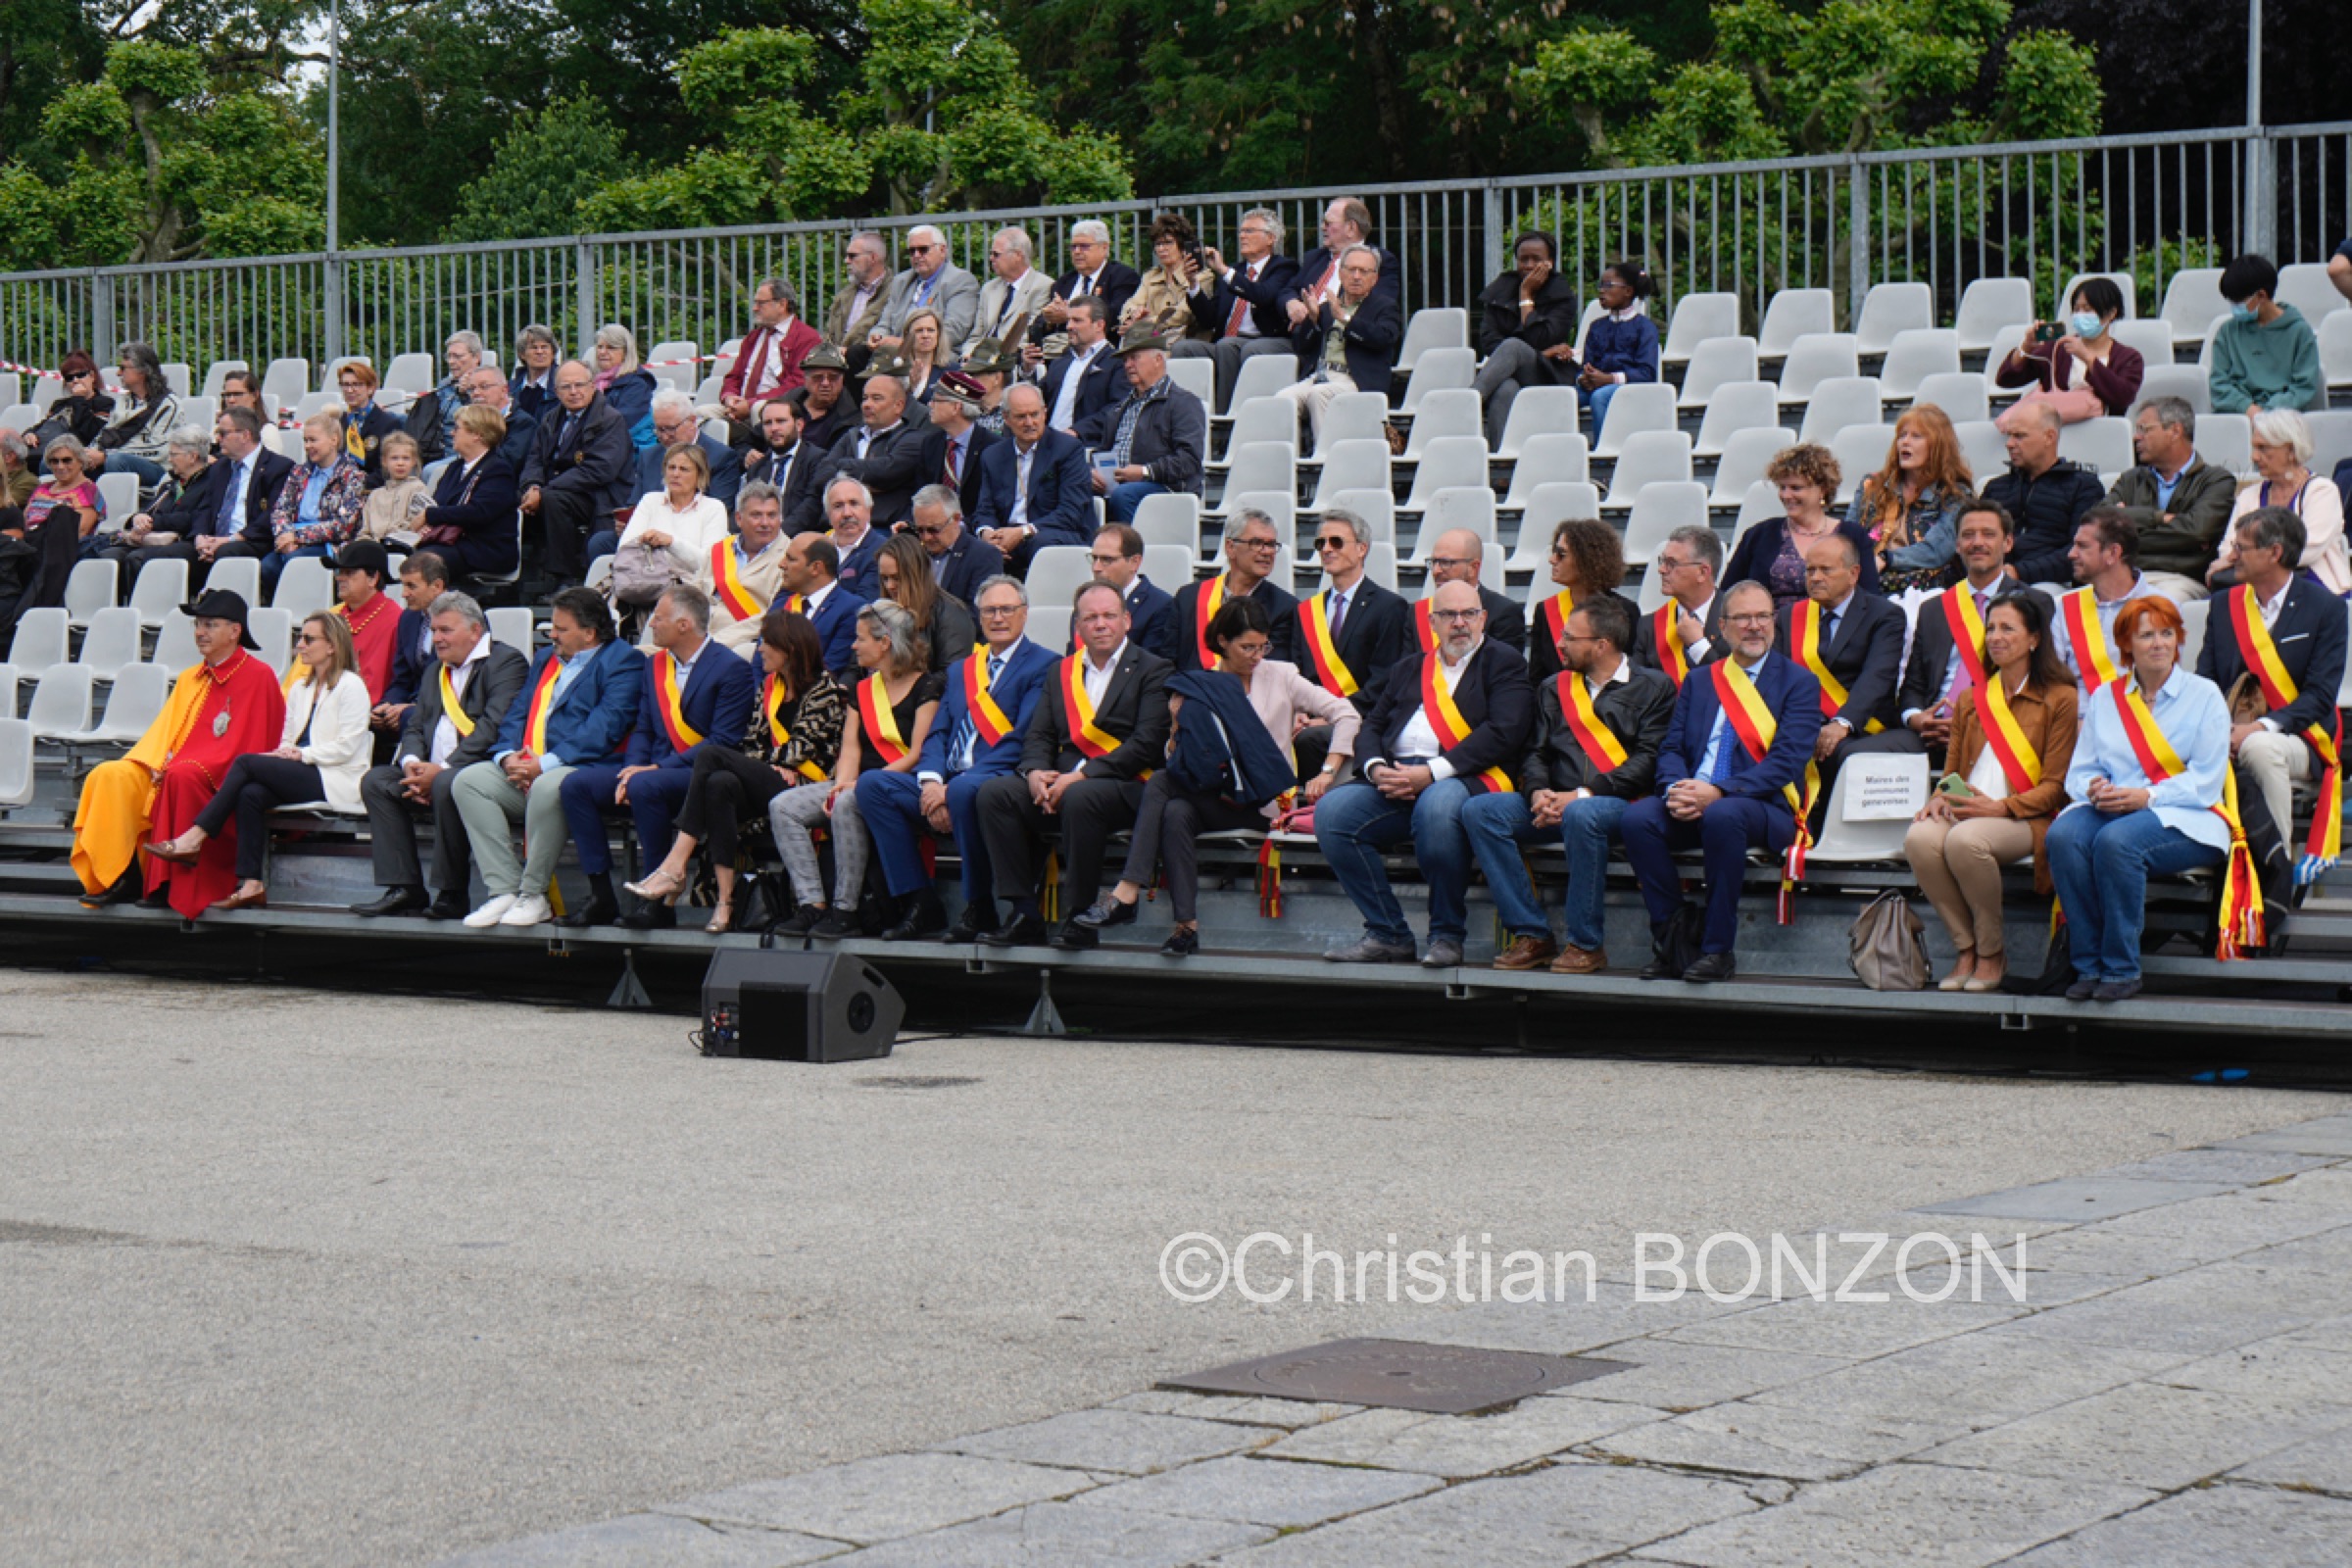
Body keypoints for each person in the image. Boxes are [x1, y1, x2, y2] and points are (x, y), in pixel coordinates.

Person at [1075, 596, 1358, 956]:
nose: (1257, 655)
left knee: (1163, 786)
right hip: (1213, 793)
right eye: (1247, 647)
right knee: (1175, 810)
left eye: (1263, 646)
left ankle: (1128, 891)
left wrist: (1328, 770)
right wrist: (1176, 728)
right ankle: (1185, 927)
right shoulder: (1200, 683)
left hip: (1263, 801)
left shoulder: (1282, 675)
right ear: (1223, 641)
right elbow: (1178, 759)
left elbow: (1346, 714)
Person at [1315, 578, 1533, 967]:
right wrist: (1376, 768)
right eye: (1449, 615)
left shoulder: (1504, 661)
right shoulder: (1410, 667)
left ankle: (1447, 935)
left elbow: (1504, 731)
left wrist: (1431, 774)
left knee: (1436, 806)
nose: (1459, 623)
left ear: (1483, 618)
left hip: (1469, 777)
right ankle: (1388, 934)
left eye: (1468, 614)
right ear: (1432, 622)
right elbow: (1373, 727)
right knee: (1333, 814)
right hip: (1397, 778)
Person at [1619, 580, 1824, 982]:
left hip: (1767, 808)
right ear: (1723, 627)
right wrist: (1676, 789)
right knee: (1637, 820)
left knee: (1723, 815)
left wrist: (1717, 792)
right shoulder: (1700, 680)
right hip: (1701, 800)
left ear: (1774, 622)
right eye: (1743, 618)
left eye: (1762, 616)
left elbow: (1786, 763)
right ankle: (1673, 938)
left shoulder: (1798, 682)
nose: (1754, 626)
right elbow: (1673, 747)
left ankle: (1717, 948)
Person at [1463, 594, 1676, 973]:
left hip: (1618, 803)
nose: (1559, 644)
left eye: (1570, 638)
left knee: (1582, 814)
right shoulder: (1552, 687)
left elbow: (1649, 760)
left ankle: (1585, 943)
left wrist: (1581, 795)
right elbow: (1536, 752)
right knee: (1481, 811)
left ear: (1601, 645)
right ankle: (1532, 934)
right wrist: (1538, 792)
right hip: (1557, 801)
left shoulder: (1655, 687)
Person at [2048, 595, 2246, 1000]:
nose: (2158, 643)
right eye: (2147, 635)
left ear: (2179, 640)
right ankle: (2086, 965)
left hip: (2187, 815)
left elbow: (2207, 782)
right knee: (2062, 836)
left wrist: (2146, 796)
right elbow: (2081, 771)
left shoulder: (2205, 695)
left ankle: (2121, 969)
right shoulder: (2106, 698)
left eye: (2167, 633)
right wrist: (2094, 788)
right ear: (2127, 646)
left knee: (2117, 842)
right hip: (2115, 807)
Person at [621, 610, 848, 935]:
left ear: (790, 648)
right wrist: (770, 764)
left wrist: (774, 763)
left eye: (765, 643)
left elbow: (800, 749)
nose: (759, 650)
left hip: (805, 786)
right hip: (769, 780)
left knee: (713, 754)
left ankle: (675, 865)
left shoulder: (827, 690)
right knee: (719, 782)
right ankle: (725, 901)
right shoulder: (771, 687)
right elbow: (751, 744)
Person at [974, 581, 1173, 947]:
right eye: (1091, 617)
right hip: (1064, 784)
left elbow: (1145, 745)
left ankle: (1080, 918)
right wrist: (1035, 773)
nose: (1101, 624)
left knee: (1083, 797)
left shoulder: (1154, 669)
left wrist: (1078, 777)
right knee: (994, 794)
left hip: (1127, 786)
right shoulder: (1060, 671)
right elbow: (1039, 736)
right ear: (1077, 626)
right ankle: (1024, 913)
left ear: (1126, 620)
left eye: (1109, 616)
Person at [859, 574, 1057, 941]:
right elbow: (938, 734)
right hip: (950, 780)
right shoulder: (961, 669)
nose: (998, 618)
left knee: (967, 790)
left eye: (1006, 610)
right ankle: (920, 900)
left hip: (997, 779)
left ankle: (979, 906)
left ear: (1025, 614)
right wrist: (933, 781)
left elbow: (1023, 738)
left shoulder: (1046, 665)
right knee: (872, 785)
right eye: (989, 611)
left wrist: (953, 789)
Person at [1902, 591, 2079, 993]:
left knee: (1966, 841)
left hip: (2026, 817)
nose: (1996, 637)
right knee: (1919, 839)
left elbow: (2055, 788)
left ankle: (1991, 952)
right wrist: (1938, 799)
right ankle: (1966, 948)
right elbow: (1950, 773)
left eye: (2008, 628)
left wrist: (1999, 808)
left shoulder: (2061, 698)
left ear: (2034, 639)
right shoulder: (1971, 698)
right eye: (1992, 628)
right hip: (1971, 809)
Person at [72, 590, 287, 916]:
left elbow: (252, 746)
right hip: (175, 765)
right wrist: (156, 763)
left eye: (210, 624)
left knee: (182, 774)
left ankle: (167, 884)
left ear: (234, 630)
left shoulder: (259, 676)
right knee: (109, 774)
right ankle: (121, 875)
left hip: (218, 778)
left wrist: (178, 764)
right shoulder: (190, 677)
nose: (200, 632)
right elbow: (165, 733)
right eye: (198, 624)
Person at [557, 584, 758, 929]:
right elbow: (644, 729)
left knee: (646, 786)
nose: (650, 625)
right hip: (653, 769)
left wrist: (653, 769)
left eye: (658, 618)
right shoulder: (655, 666)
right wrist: (630, 768)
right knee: (576, 786)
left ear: (684, 625)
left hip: (699, 773)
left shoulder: (730, 668)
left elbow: (722, 741)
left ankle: (659, 901)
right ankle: (601, 895)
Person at [143, 610, 372, 912]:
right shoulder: (301, 689)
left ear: (331, 646)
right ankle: (251, 883)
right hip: (303, 768)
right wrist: (285, 754)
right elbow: (288, 739)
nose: (299, 646)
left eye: (308, 639)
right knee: (251, 794)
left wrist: (302, 754)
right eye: (299, 639)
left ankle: (193, 838)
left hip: (337, 776)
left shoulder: (351, 686)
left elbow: (348, 746)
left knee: (245, 763)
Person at [451, 588, 646, 929]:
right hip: (529, 766)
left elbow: (605, 727)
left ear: (589, 633)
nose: (551, 634)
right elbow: (517, 712)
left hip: (584, 768)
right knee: (469, 781)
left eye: (561, 628)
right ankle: (504, 892)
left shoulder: (623, 661)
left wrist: (544, 764)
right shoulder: (546, 659)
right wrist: (507, 756)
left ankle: (532, 894)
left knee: (547, 786)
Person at [755, 597, 942, 937]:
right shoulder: (861, 689)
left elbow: (917, 752)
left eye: (861, 638)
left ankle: (846, 909)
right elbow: (851, 747)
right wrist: (842, 781)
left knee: (846, 802)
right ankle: (812, 904)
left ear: (884, 643)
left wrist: (858, 786)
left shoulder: (928, 685)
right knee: (784, 807)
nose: (853, 645)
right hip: (856, 783)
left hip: (899, 784)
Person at [352, 590, 532, 918]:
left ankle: (452, 893)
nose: (436, 638)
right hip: (430, 772)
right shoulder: (436, 669)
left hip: (472, 773)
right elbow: (416, 726)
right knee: (377, 781)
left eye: (445, 630)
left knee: (450, 782)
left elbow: (492, 728)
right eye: (434, 631)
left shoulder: (506, 662)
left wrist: (442, 769)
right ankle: (405, 888)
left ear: (475, 630)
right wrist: (412, 765)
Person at [2194, 506, 2348, 883]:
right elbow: (2206, 681)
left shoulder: (2326, 609)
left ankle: (2271, 872)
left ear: (2274, 553)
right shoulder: (2224, 604)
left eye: (2242, 547)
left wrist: (2260, 727)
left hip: (2303, 737)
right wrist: (2219, 731)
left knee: (2259, 748)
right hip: (2230, 732)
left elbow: (2320, 695)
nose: (2232, 556)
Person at [1888, 498, 2023, 766]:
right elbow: (1914, 684)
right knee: (1857, 756)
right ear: (1957, 545)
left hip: (2000, 729)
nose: (1977, 543)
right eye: (1968, 535)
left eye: (1988, 534)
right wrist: (1916, 718)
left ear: (2007, 543)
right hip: (1932, 729)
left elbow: (2039, 684)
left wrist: (1973, 724)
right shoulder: (1934, 608)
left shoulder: (2032, 604)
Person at [1778, 533, 1911, 795]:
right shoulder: (1790, 616)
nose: (1815, 578)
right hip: (1804, 721)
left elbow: (1877, 676)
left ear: (1853, 573)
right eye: (1810, 570)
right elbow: (1779, 675)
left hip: (1861, 724)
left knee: (1833, 751)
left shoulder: (1884, 615)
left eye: (1826, 570)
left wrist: (1843, 722)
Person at [2101, 395, 2238, 608]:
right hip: (2125, 575)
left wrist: (2128, 532)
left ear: (2175, 431)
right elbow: (2098, 521)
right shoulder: (2131, 479)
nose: (2137, 437)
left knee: (2152, 609)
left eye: (2144, 429)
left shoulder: (2216, 480)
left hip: (2180, 579)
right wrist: (2158, 518)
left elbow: (2197, 531)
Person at [2212, 407, 2350, 598]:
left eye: (2263, 448)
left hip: (2313, 586)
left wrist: (2248, 557)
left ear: (2291, 450)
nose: (2254, 456)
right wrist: (2249, 556)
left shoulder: (2321, 491)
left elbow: (2307, 550)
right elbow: (2227, 549)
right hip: (2255, 585)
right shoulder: (2249, 495)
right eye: (2254, 447)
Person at [1172, 207, 1299, 411]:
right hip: (1227, 342)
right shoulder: (1235, 272)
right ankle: (1185, 414)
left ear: (1270, 238)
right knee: (1183, 348)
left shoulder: (1283, 268)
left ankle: (1224, 418)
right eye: (1241, 231)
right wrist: (1193, 284)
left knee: (1227, 345)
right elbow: (1209, 320)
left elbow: (1263, 295)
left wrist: (1223, 271)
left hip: (1262, 339)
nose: (1242, 235)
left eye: (1249, 231)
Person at [1723, 444, 1880, 610]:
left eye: (1795, 488)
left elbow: (1870, 598)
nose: (1786, 495)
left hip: (1835, 631)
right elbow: (1728, 595)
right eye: (1782, 487)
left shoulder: (1853, 536)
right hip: (1772, 632)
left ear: (1822, 490)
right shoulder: (1758, 535)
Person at [519, 361, 634, 585]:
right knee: (508, 497)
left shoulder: (610, 420)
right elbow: (534, 459)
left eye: (579, 385)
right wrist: (532, 487)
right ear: (556, 391)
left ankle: (564, 577)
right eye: (566, 387)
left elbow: (600, 470)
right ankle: (520, 576)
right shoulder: (551, 419)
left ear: (592, 386)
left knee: (553, 500)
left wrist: (545, 491)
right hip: (557, 488)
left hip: (598, 494)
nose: (574, 392)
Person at [1077, 325, 1207, 521]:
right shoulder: (1119, 408)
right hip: (1118, 485)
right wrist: (1092, 472)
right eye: (1125, 360)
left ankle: (1127, 550)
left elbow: (1189, 459)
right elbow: (1103, 451)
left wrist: (1145, 472)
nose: (1127, 365)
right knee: (1074, 490)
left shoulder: (1183, 402)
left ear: (1158, 360)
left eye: (1134, 358)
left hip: (1166, 487)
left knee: (1125, 495)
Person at [1278, 244, 1400, 450]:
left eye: (1364, 271)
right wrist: (1314, 320)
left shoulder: (1384, 306)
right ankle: (1289, 461)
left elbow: (1384, 338)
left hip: (1355, 380)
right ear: (1340, 273)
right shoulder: (1326, 307)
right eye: (1351, 270)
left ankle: (1325, 460)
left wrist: (1344, 319)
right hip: (1320, 375)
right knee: (1282, 400)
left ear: (1375, 278)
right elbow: (1301, 347)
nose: (1356, 276)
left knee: (1319, 395)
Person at [1295, 507, 1411, 721]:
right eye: (1321, 543)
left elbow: (1384, 679)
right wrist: (1300, 712)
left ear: (1361, 549)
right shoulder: (1307, 610)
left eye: (1336, 542)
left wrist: (1334, 716)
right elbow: (1297, 671)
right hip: (1309, 718)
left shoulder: (1389, 606)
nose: (1326, 549)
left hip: (1361, 719)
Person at [1845, 405, 1975, 592]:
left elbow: (1937, 551)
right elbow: (1848, 537)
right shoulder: (1871, 485)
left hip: (1928, 590)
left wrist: (1885, 559)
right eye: (1902, 435)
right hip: (1867, 585)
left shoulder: (1955, 495)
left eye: (1916, 436)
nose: (1905, 442)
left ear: (1937, 446)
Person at [1473, 230, 1584, 448]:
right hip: (1508, 372)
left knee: (1513, 346)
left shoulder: (1562, 296)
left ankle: (1468, 403)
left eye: (1537, 259)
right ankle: (1503, 464)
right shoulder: (1500, 291)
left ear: (1550, 262)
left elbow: (1541, 337)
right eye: (1524, 259)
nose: (1529, 265)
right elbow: (1488, 342)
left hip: (1547, 374)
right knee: (1506, 388)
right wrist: (1526, 355)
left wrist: (1526, 297)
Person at [1981, 401, 2108, 587]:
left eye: (2019, 436)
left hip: (2054, 584)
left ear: (2049, 437)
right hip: (1995, 579)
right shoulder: (1996, 487)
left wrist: (2020, 572)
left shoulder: (2083, 487)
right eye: (2009, 436)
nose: (2009, 444)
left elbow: (2082, 550)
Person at [971, 383, 1093, 572]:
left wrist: (1023, 532)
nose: (1029, 423)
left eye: (1034, 414)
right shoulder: (992, 456)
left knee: (1038, 543)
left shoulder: (1068, 449)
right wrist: (987, 534)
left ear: (1044, 413)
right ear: (1006, 418)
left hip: (1054, 533)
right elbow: (985, 509)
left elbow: (1071, 512)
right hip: (1008, 534)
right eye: (1021, 417)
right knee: (972, 545)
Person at [1164, 509, 1298, 670]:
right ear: (1230, 547)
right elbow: (1167, 661)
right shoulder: (1188, 598)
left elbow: (1269, 671)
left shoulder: (1285, 608)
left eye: (1271, 544)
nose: (1267, 551)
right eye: (1257, 543)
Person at [1995, 275, 2143, 419]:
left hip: (2104, 434)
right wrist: (2026, 346)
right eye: (2077, 309)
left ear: (2111, 313)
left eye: (2088, 309)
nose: (2080, 315)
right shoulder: (2057, 350)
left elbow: (2123, 397)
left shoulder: (2129, 358)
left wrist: (2088, 359)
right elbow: (2006, 380)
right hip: (2057, 434)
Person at [176, 406, 294, 582]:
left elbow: (273, 515)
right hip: (214, 540)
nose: (218, 439)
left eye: (223, 434)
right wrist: (200, 538)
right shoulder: (218, 468)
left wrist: (230, 539)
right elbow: (204, 508)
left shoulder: (279, 467)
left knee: (226, 552)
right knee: (167, 554)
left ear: (245, 435)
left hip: (253, 540)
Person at [260, 411, 367, 595]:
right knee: (267, 566)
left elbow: (345, 525)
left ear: (334, 440)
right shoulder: (299, 472)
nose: (308, 446)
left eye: (313, 440)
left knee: (295, 562)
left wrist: (298, 536)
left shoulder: (352, 475)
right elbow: (280, 510)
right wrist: (285, 536)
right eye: (305, 441)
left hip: (327, 544)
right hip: (291, 539)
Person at [2049, 508, 2156, 693]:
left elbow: (2163, 685)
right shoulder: (2063, 606)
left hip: (2140, 717)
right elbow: (2054, 685)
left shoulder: (2160, 606)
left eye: (2082, 546)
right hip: (2078, 718)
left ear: (2113, 553)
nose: (2071, 554)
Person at [415, 405, 522, 581]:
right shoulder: (454, 468)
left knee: (425, 562)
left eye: (457, 428)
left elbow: (478, 513)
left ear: (477, 434)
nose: (452, 433)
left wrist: (430, 515)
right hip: (451, 543)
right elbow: (438, 504)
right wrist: (428, 522)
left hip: (484, 549)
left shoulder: (498, 470)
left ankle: (427, 607)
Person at [595, 440, 727, 580]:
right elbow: (624, 549)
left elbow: (709, 564)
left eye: (684, 469)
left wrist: (671, 542)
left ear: (700, 475)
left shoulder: (714, 508)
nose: (675, 474)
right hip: (645, 581)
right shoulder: (650, 500)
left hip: (689, 587)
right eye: (671, 467)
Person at [1525, 516, 1635, 685]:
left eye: (1561, 554)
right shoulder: (1545, 610)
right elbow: (1537, 679)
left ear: (1586, 559)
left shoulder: (1626, 611)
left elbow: (1631, 674)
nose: (1552, 559)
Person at [2210, 254, 2324, 415]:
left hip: (2284, 416)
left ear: (2261, 295)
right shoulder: (2227, 332)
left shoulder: (2300, 332)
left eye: (2238, 301)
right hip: (2237, 416)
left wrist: (2269, 411)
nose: (2234, 307)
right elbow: (2218, 385)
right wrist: (2247, 408)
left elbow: (2303, 388)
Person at [814, 373, 928, 528]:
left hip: (883, 525)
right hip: (838, 525)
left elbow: (886, 471)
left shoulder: (913, 439)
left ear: (898, 406)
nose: (867, 404)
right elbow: (821, 475)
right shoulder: (851, 435)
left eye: (877, 398)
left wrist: (841, 467)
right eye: (865, 398)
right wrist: (864, 483)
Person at [102, 424, 218, 568]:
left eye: (174, 455)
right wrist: (138, 518)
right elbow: (148, 510)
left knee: (136, 559)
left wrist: (151, 522)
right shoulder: (170, 485)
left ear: (193, 456)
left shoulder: (211, 483)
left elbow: (191, 518)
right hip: (153, 539)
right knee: (109, 555)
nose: (169, 460)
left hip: (182, 542)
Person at [11, 439, 103, 620]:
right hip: (30, 544)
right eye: (54, 461)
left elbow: (79, 530)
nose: (60, 466)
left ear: (80, 461)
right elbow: (24, 521)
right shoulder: (42, 488)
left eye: (67, 460)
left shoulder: (88, 490)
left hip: (57, 549)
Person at [1028, 219, 1142, 360]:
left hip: (1103, 354)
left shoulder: (1121, 277)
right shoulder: (1064, 283)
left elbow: (1115, 316)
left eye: (1084, 246)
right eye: (1073, 247)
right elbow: (1037, 326)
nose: (1077, 252)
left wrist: (1069, 314)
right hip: (1058, 354)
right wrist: (1050, 321)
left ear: (1104, 248)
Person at [1574, 260, 1662, 438]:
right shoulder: (1596, 326)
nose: (1601, 291)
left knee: (1600, 397)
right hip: (1599, 384)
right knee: (1566, 397)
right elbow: (1587, 364)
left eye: (1608, 285)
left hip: (1630, 385)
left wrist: (1609, 379)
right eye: (1601, 285)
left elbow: (1647, 373)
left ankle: (1603, 453)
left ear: (1628, 291)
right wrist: (1584, 377)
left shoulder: (1645, 327)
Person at [1283, 197, 1401, 329]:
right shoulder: (1315, 257)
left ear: (1351, 228)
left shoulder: (1379, 260)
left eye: (1328, 223)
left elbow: (1378, 307)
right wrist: (1291, 302)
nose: (1322, 227)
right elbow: (1287, 290)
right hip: (1302, 337)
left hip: (1346, 336)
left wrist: (1318, 314)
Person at [704, 480, 791, 657]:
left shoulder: (790, 557)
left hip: (742, 640)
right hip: (699, 632)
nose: (765, 523)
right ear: (738, 519)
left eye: (772, 515)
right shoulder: (719, 550)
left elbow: (773, 617)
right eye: (756, 515)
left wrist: (714, 643)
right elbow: (694, 595)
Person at [1634, 524, 1729, 684]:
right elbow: (1639, 689)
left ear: (1702, 572)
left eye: (1671, 563)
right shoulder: (1649, 626)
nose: (1661, 570)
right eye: (1662, 561)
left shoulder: (1737, 617)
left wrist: (1698, 646)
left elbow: (1740, 685)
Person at [870, 527, 972, 670]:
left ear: (916, 575)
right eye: (884, 578)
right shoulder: (879, 610)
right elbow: (856, 665)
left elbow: (953, 676)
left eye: (896, 578)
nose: (889, 586)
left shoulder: (951, 614)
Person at [720, 278, 820, 424]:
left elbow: (796, 384)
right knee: (701, 413)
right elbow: (733, 376)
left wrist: (750, 404)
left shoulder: (806, 338)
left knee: (759, 409)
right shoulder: (753, 337)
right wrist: (729, 398)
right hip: (740, 405)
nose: (754, 308)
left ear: (782, 304)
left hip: (776, 406)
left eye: (761, 303)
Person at [872, 225, 980, 359]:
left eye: (923, 249)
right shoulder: (900, 281)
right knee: (856, 355)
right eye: (912, 251)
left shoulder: (961, 281)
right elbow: (885, 322)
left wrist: (907, 343)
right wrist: (877, 336)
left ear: (942, 250)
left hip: (936, 354)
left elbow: (955, 331)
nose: (917, 255)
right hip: (893, 352)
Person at [1415, 526, 1527, 654]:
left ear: (1474, 567)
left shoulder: (1504, 612)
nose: (1436, 571)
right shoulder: (1417, 613)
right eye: (1433, 562)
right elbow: (1407, 669)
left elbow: (1506, 668)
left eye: (1445, 562)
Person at [628, 389, 743, 512]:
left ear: (692, 421)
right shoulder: (648, 457)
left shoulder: (720, 458)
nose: (665, 437)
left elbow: (720, 512)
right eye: (660, 430)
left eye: (671, 429)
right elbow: (635, 505)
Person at [84, 341, 179, 486]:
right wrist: (89, 454)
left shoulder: (169, 404)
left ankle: (114, 508)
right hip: (113, 458)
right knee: (64, 462)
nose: (118, 373)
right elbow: (106, 434)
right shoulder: (123, 401)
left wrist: (106, 456)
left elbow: (160, 450)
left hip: (156, 468)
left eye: (123, 368)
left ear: (142, 371)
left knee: (116, 462)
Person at [378, 549, 451, 737]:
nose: (404, 594)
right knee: (374, 714)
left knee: (408, 716)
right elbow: (401, 677)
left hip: (446, 705)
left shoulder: (464, 618)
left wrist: (412, 706)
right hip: (412, 703)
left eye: (412, 586)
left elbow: (458, 680)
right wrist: (389, 704)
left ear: (437, 585)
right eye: (403, 585)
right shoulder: (408, 619)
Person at [777, 531, 865, 676]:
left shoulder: (851, 609)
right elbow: (760, 661)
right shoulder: (782, 602)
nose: (781, 564)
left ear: (816, 568)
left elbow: (831, 668)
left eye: (791, 559)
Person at [1118, 212, 1213, 342]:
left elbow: (1182, 315)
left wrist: (1144, 324)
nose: (1162, 249)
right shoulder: (1150, 276)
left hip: (1183, 341)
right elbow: (1131, 304)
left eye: (1168, 243)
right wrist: (1133, 316)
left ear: (1182, 245)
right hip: (1148, 338)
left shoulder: (1202, 276)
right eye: (1158, 244)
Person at [964, 227, 1056, 360]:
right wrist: (967, 355)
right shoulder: (989, 288)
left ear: (1018, 255)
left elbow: (1028, 336)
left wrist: (993, 359)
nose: (991, 258)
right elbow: (977, 334)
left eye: (996, 254)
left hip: (1011, 360)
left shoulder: (1043, 286)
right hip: (980, 358)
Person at [329, 540, 403, 703]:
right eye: (339, 571)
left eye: (349, 572)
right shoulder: (334, 616)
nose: (339, 578)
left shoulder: (395, 619)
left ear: (373, 578)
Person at [1035, 295, 1121, 433]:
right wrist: (1027, 370)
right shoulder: (1061, 362)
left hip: (1084, 444)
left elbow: (1117, 409)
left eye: (1077, 321)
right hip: (1046, 441)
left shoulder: (1116, 363)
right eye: (1068, 320)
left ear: (1099, 325)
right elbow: (1037, 396)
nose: (1069, 326)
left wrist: (1076, 432)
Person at [917, 371, 998, 515]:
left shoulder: (992, 447)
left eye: (936, 400)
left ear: (956, 407)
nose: (930, 404)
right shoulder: (930, 444)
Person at [1089, 522, 1173, 657]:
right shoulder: (1086, 602)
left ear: (1135, 562)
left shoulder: (1160, 606)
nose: (1096, 567)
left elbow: (1151, 666)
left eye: (1107, 559)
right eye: (1094, 558)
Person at [745, 398, 823, 535]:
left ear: (799, 425)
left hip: (800, 540)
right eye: (768, 423)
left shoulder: (817, 460)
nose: (774, 428)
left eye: (781, 421)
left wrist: (777, 535)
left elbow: (812, 507)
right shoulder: (757, 467)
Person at [404, 331, 484, 464]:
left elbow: (481, 422)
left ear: (476, 357)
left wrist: (468, 395)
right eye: (449, 356)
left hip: (458, 454)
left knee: (427, 471)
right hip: (433, 447)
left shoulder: (484, 386)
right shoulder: (446, 384)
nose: (452, 361)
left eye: (458, 356)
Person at [910, 482, 996, 606]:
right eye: (920, 530)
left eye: (933, 529)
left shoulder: (983, 556)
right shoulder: (913, 553)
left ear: (956, 519)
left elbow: (977, 614)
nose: (926, 537)